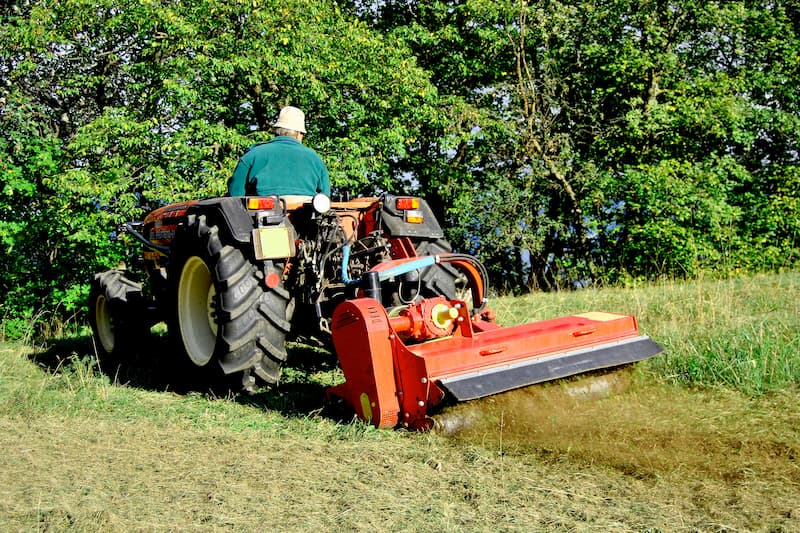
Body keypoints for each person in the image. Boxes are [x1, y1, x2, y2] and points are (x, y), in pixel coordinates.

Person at [227, 106, 331, 199]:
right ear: (299, 134)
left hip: (261, 216)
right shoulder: (315, 158)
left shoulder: (253, 155)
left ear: (276, 130)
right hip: (307, 217)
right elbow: (325, 195)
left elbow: (235, 193)